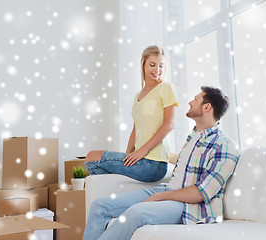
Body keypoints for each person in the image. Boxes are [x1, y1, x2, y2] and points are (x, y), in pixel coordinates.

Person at [82, 86, 240, 240]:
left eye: (196, 99)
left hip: (190, 207)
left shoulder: (225, 146)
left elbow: (201, 193)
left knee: (136, 213)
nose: (190, 102)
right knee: (100, 206)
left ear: (206, 107)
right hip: (168, 190)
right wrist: (150, 155)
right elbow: (186, 164)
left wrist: (162, 196)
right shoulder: (195, 135)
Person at [84, 45, 178, 182]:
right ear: (143, 63)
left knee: (91, 157)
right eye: (153, 65)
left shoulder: (166, 88)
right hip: (141, 159)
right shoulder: (138, 96)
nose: (157, 70)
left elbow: (169, 125)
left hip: (154, 164)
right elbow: (136, 130)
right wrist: (126, 156)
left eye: (161, 66)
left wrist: (143, 150)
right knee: (92, 161)